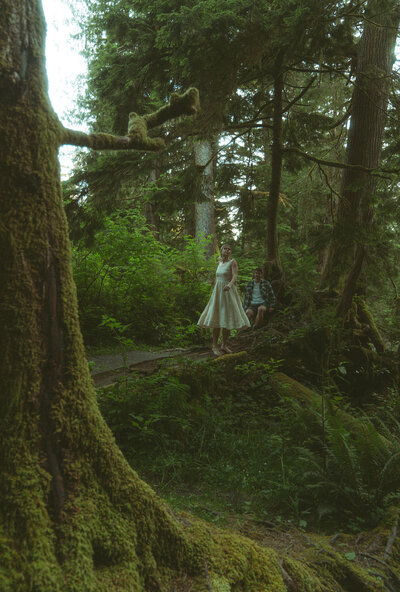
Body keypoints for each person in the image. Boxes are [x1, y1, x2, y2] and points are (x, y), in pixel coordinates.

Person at [198, 244, 250, 355]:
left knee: (228, 316)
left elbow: (235, 276)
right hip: (218, 292)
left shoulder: (232, 262)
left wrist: (230, 285)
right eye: (225, 249)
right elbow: (219, 276)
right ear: (221, 251)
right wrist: (213, 283)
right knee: (217, 315)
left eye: (229, 249)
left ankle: (224, 345)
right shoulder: (219, 263)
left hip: (228, 291)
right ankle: (214, 345)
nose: (227, 250)